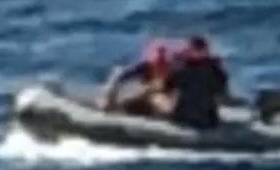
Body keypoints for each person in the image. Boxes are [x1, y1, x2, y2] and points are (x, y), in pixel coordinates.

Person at [99, 36, 233, 130]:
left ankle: (120, 109)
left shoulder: (181, 69)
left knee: (153, 99)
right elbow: (222, 93)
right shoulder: (216, 71)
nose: (161, 56)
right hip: (208, 121)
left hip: (185, 119)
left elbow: (164, 87)